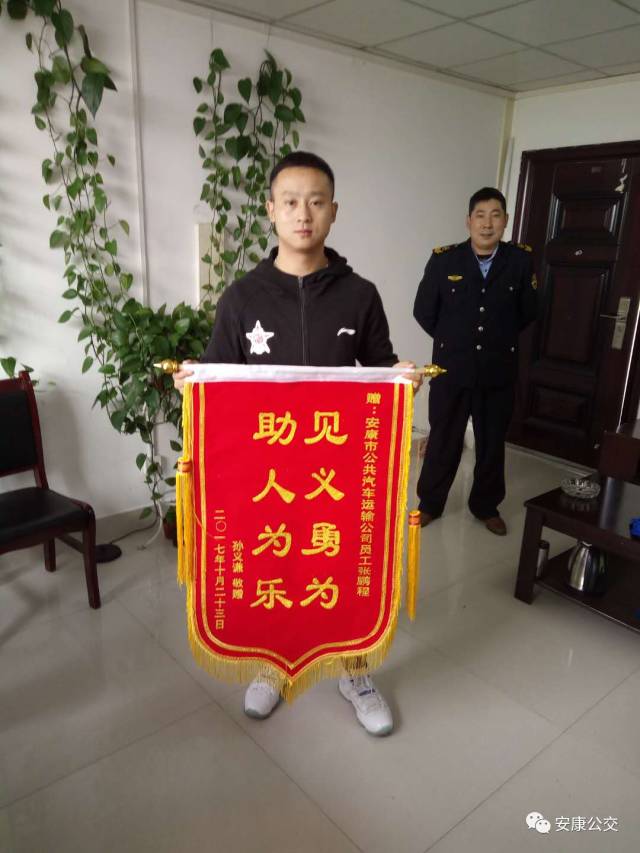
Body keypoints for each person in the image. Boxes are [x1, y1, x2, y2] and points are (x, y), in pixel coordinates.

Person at [174, 150, 419, 735]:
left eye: (315, 202)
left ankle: (354, 669)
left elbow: (378, 366)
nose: (303, 214)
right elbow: (219, 373)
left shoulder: (360, 294)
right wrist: (195, 381)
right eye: (290, 202)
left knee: (343, 561)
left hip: (336, 466)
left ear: (334, 211)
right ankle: (273, 664)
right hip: (266, 470)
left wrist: (398, 378)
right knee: (274, 561)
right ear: (271, 210)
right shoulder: (242, 297)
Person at [413, 187, 538, 536]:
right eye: (480, 215)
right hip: (451, 368)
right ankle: (430, 503)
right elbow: (423, 310)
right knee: (444, 438)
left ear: (505, 221)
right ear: (468, 221)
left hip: (498, 370)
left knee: (491, 442)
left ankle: (485, 506)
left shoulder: (519, 261)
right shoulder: (444, 260)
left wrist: (495, 339)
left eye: (495, 215)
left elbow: (528, 311)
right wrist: (455, 340)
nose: (487, 223)